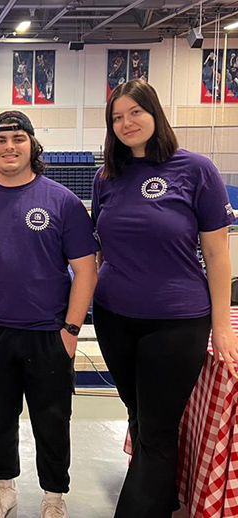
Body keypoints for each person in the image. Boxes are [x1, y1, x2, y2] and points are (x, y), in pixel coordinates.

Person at [91, 79, 238, 517]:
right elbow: (101, 247)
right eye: (117, 117)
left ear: (155, 114)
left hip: (176, 322)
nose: (126, 123)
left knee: (155, 431)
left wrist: (220, 324)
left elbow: (216, 253)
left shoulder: (195, 169)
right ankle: (165, 497)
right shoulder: (107, 176)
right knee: (139, 418)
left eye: (135, 112)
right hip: (114, 318)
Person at [0, 111, 99, 518]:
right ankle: (4, 488)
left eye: (18, 138)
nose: (9, 146)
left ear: (33, 145)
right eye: (0, 140)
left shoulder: (62, 201)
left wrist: (71, 330)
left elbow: (86, 269)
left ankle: (53, 496)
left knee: (52, 421)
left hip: (48, 333)